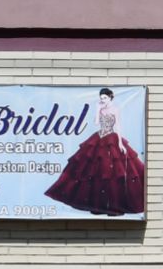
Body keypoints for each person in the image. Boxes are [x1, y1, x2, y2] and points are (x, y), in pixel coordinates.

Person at [45, 87, 146, 216]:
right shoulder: (101, 109)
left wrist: (120, 142)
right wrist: (98, 110)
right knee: (96, 171)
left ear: (110, 97)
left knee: (112, 173)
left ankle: (114, 206)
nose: (102, 100)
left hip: (111, 138)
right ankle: (98, 205)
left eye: (104, 97)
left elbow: (118, 125)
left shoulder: (115, 109)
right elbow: (97, 122)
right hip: (99, 136)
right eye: (101, 98)